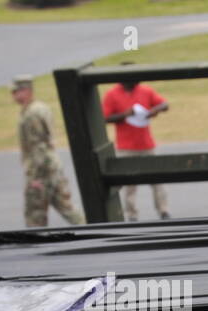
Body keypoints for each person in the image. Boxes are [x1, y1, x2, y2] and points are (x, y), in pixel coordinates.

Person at [11, 76, 85, 228]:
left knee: (35, 216)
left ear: (26, 91)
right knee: (67, 208)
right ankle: (93, 230)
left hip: (42, 170)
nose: (13, 95)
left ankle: (36, 248)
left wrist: (34, 177)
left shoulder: (31, 114)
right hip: (53, 168)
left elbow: (38, 146)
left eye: (16, 91)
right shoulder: (40, 108)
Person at [102, 73, 171, 220]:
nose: (136, 82)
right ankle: (131, 214)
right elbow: (105, 117)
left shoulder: (145, 90)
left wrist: (154, 110)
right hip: (126, 146)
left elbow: (165, 104)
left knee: (157, 179)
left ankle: (163, 211)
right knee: (129, 184)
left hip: (146, 144)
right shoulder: (112, 94)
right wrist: (125, 114)